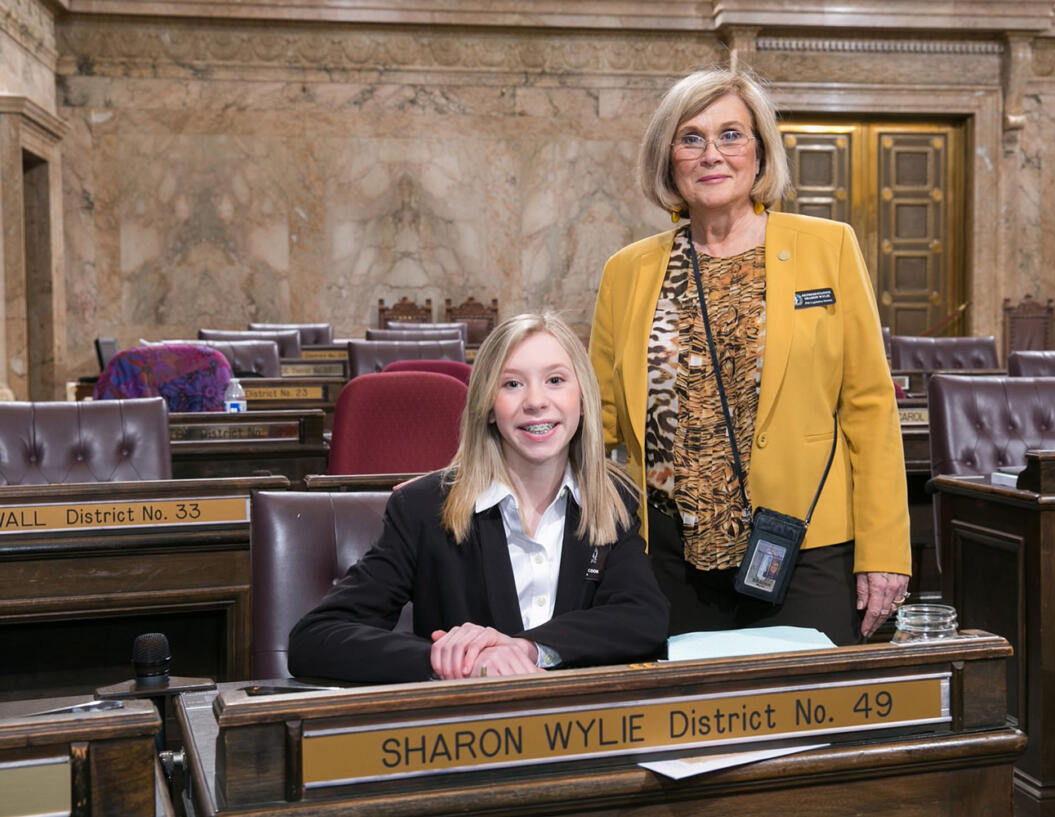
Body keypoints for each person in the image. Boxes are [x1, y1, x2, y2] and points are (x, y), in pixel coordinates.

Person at [589, 69, 910, 645]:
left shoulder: (828, 248)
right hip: (668, 557)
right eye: (691, 138)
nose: (711, 154)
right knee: (691, 727)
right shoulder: (628, 271)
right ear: (668, 160)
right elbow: (598, 418)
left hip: (805, 546)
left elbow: (869, 409)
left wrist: (885, 550)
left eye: (731, 135)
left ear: (760, 153)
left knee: (814, 724)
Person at [289, 312, 669, 683]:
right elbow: (316, 638)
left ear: (583, 400)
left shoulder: (613, 499)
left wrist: (527, 648)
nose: (536, 401)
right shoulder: (424, 508)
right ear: (488, 407)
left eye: (555, 380)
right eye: (512, 384)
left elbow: (642, 618)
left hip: (576, 729)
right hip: (466, 732)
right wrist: (452, 660)